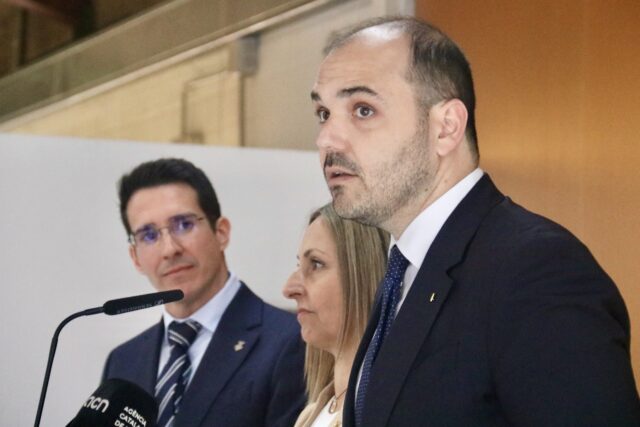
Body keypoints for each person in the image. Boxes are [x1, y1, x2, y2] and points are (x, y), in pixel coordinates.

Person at [310, 16, 640, 427]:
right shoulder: (403, 273)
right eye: (323, 113)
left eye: (363, 110)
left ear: (446, 128)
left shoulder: (536, 269)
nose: (326, 139)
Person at [102, 158, 305, 427]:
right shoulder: (123, 362)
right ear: (135, 257)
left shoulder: (291, 341)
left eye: (183, 225)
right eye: (149, 235)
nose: (170, 249)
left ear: (221, 232)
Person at [283, 203, 389, 427]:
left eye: (316, 264)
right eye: (299, 265)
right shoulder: (309, 416)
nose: (289, 289)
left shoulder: (387, 413)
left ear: (363, 274)